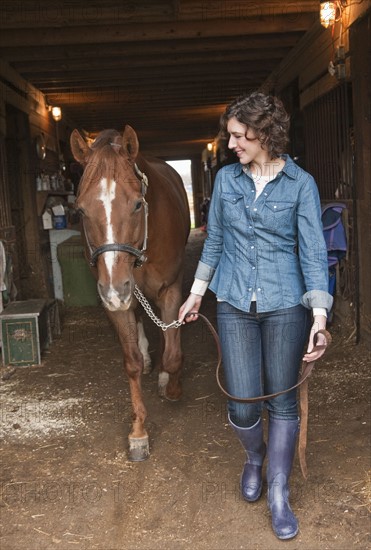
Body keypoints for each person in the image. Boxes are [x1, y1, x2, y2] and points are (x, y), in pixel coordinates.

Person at [178, 92, 333, 540]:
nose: (231, 145)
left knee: (282, 401)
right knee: (242, 403)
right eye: (230, 136)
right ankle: (255, 456)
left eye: (238, 136)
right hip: (232, 304)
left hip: (286, 304)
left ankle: (280, 492)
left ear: (263, 133)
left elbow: (313, 252)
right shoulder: (227, 181)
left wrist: (319, 317)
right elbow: (214, 241)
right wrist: (195, 294)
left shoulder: (301, 184)